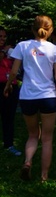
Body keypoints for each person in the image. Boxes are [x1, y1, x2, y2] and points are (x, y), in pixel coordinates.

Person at [4, 15, 56, 182]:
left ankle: (27, 162)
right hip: (48, 97)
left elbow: (13, 72)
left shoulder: (22, 46)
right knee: (47, 138)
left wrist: (7, 86)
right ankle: (44, 176)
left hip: (28, 97)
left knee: (33, 135)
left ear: (32, 29)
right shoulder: (54, 49)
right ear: (51, 30)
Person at [0, 26, 21, 156]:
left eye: (4, 37)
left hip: (11, 86)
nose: (2, 39)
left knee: (9, 117)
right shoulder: (4, 51)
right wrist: (3, 52)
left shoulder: (10, 51)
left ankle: (9, 144)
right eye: (0, 37)